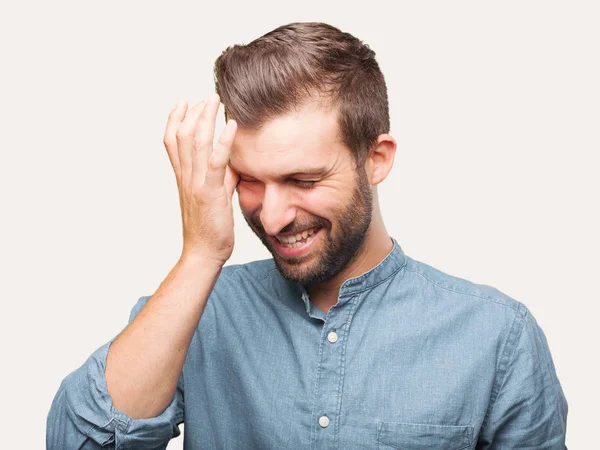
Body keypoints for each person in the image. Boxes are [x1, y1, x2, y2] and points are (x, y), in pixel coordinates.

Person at [46, 22, 568, 449]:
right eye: (250, 180)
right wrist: (201, 254)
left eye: (304, 181)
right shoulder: (197, 311)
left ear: (377, 159)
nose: (271, 218)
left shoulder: (496, 335)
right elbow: (76, 442)